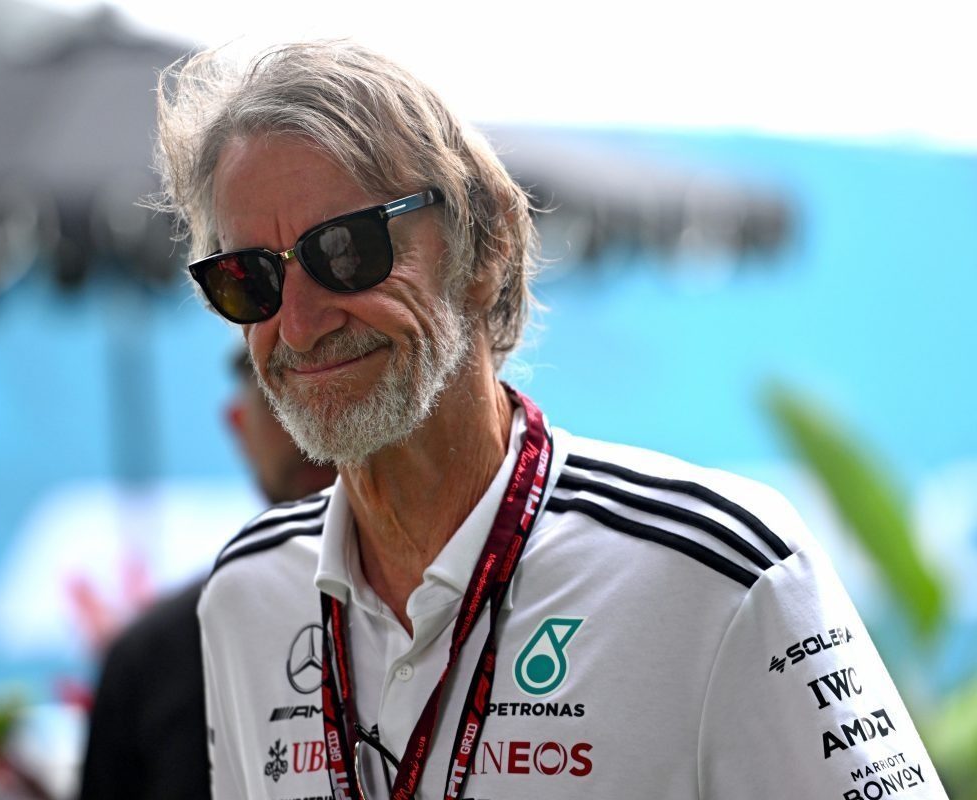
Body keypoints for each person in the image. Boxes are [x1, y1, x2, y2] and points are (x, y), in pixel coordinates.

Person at [157, 42, 947, 799]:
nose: (297, 326)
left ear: (487, 246)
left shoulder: (722, 573)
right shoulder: (246, 594)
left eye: (345, 250)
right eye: (247, 277)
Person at [78, 351, 335, 800]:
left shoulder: (446, 612)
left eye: (333, 392)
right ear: (239, 426)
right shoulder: (149, 657)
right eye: (279, 398)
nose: (308, 425)